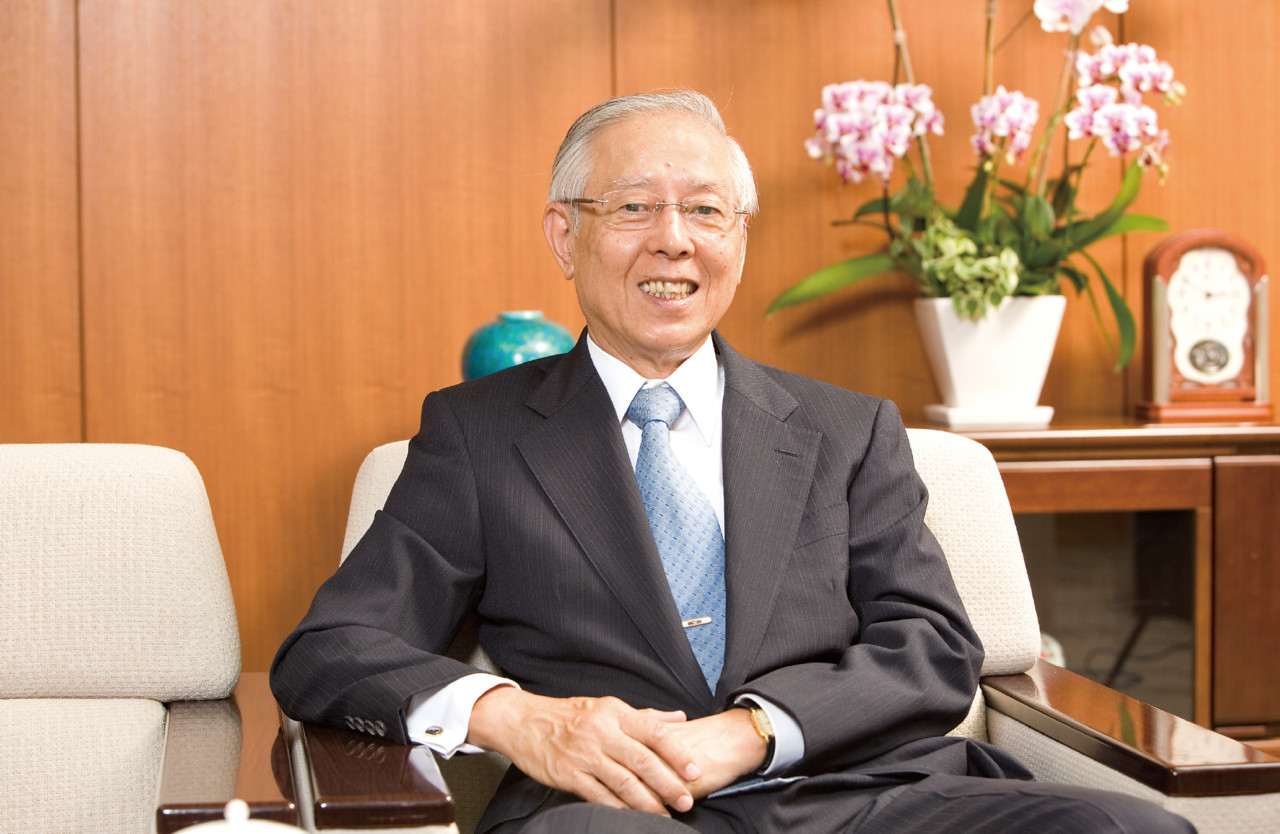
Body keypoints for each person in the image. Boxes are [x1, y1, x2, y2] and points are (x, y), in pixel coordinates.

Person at [271, 90, 1194, 833]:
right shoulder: (480, 434)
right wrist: (518, 717)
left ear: (738, 242)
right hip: (613, 811)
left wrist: (757, 731)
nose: (674, 238)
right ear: (564, 235)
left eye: (706, 210)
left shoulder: (848, 430)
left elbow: (932, 646)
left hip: (865, 796)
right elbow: (331, 650)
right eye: (634, 207)